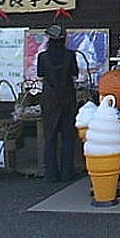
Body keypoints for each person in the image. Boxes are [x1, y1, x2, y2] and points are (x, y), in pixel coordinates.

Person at [37, 24, 78, 182]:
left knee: (50, 137)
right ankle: (67, 173)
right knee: (68, 137)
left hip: (50, 100)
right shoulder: (70, 55)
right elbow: (74, 73)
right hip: (68, 98)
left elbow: (41, 74)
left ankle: (51, 174)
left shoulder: (43, 57)